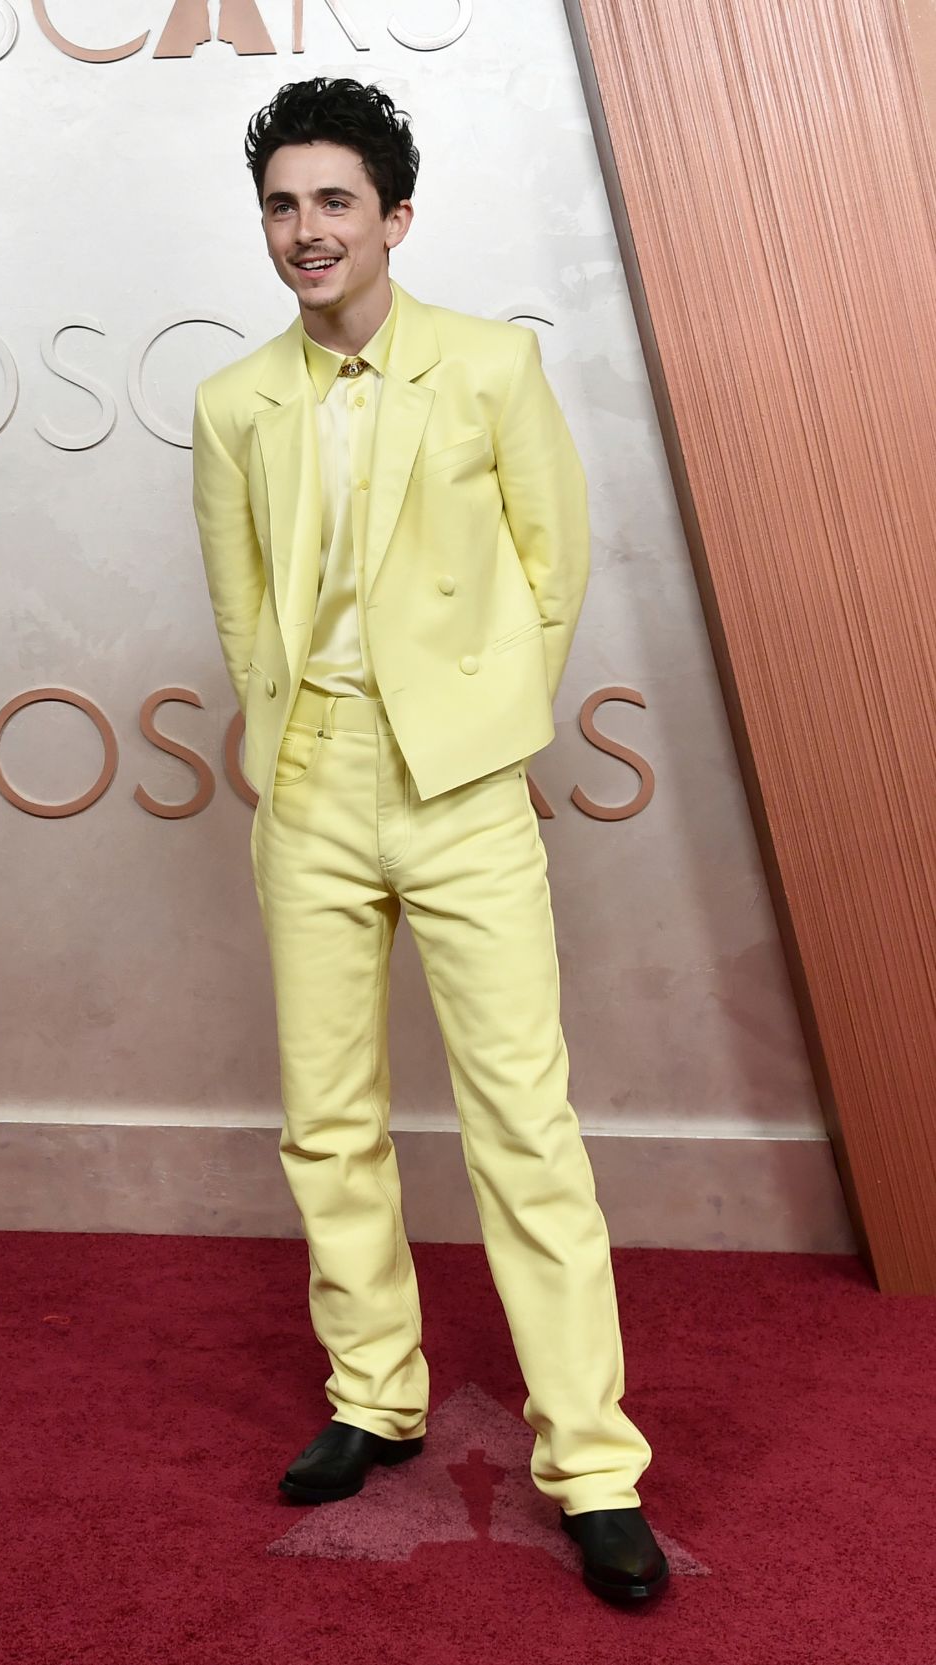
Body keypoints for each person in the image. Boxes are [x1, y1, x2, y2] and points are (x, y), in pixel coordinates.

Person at [191, 76, 668, 1606]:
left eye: (334, 201)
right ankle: (371, 1397)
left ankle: (591, 1464)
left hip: (460, 789)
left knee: (524, 1122)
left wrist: (484, 729)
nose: (304, 228)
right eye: (281, 202)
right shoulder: (232, 404)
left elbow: (553, 562)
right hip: (313, 786)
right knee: (326, 1117)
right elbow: (242, 605)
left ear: (395, 217)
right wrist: (280, 756)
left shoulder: (489, 367)